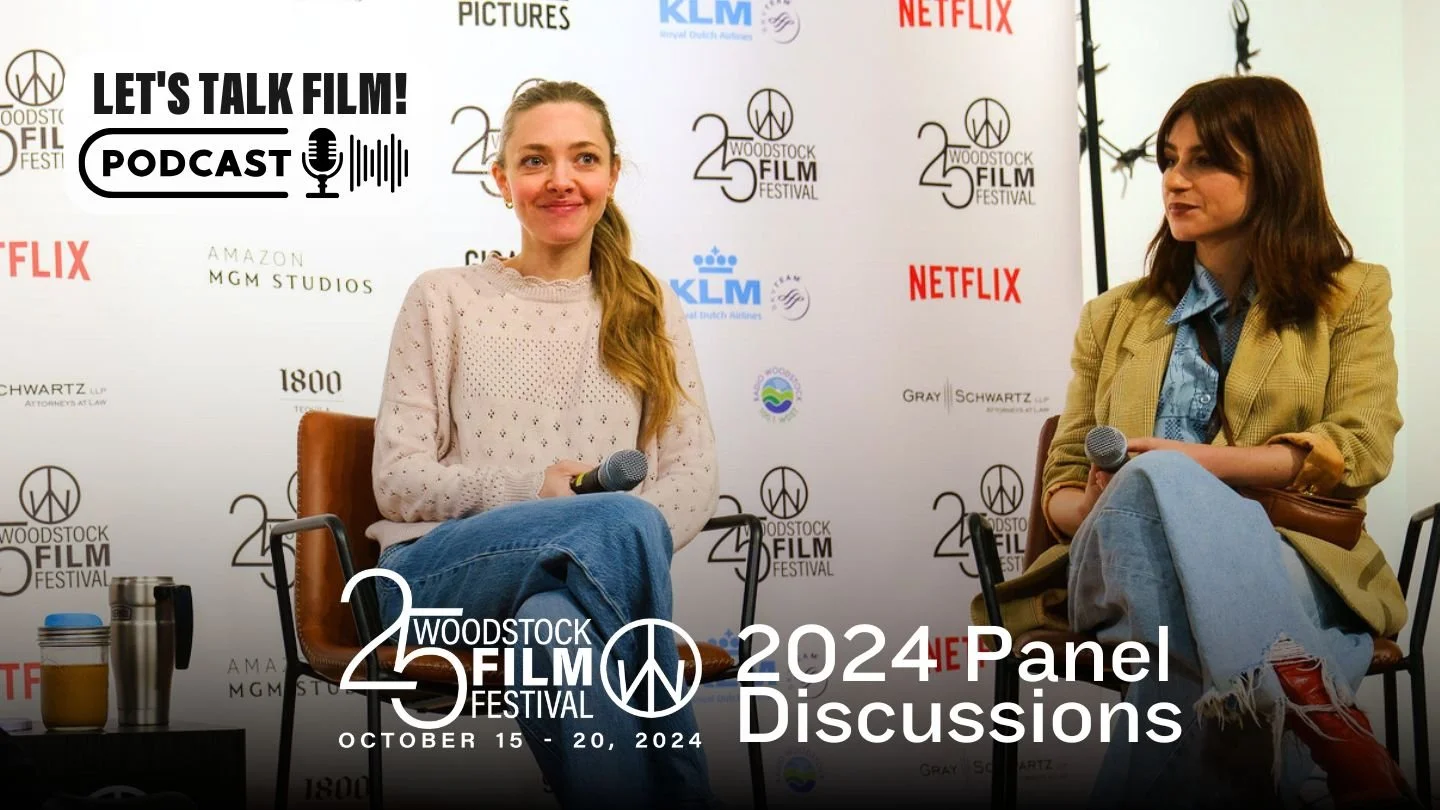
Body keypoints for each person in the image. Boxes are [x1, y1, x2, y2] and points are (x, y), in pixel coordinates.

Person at [978, 76, 1415, 809]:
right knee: (1157, 484)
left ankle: (1289, 717)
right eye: (1168, 159)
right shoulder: (1113, 316)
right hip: (1110, 560)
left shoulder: (1352, 294)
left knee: (1178, 659)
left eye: (1205, 160)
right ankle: (1316, 706)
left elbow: (1362, 444)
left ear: (1274, 173)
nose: (1176, 180)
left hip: (1289, 556)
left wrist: (1196, 464)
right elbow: (1061, 485)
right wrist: (1099, 502)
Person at [366, 80, 719, 809]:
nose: (560, 179)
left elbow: (692, 473)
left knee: (555, 626)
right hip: (431, 580)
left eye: (583, 158)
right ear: (501, 180)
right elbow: (398, 480)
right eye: (535, 161)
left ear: (611, 175)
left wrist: (609, 534)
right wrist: (534, 490)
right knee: (618, 517)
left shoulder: (649, 306)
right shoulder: (444, 297)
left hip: (575, 589)